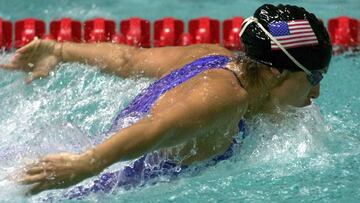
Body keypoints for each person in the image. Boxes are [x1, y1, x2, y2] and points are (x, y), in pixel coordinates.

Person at [0, 4, 332, 196]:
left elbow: (127, 60)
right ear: (278, 73)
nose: (316, 93)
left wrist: (59, 50)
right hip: (85, 188)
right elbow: (156, 127)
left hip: (67, 151)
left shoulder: (212, 56)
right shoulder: (226, 97)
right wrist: (85, 165)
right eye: (314, 78)